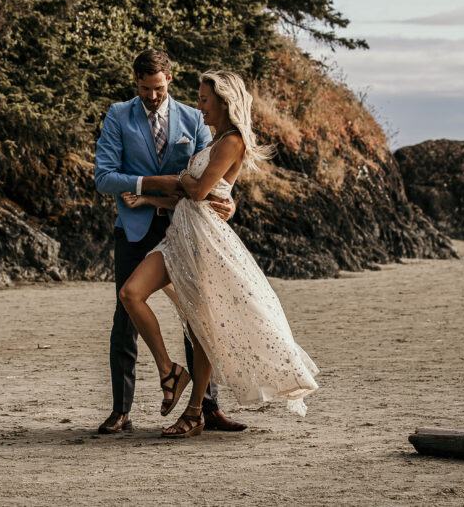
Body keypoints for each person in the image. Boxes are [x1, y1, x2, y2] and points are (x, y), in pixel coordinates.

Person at [118, 70, 319, 438]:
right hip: (180, 237)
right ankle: (170, 370)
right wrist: (149, 199)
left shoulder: (233, 141)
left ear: (224, 102)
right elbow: (196, 197)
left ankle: (195, 412)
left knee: (202, 329)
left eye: (204, 99)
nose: (199, 106)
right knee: (131, 293)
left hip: (205, 242)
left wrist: (177, 179)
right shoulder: (214, 140)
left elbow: (198, 192)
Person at [93, 51, 248, 434]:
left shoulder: (195, 118)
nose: (152, 96)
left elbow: (215, 174)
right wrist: (147, 185)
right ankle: (121, 410)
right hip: (135, 228)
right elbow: (104, 178)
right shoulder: (118, 115)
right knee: (125, 314)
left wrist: (229, 203)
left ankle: (206, 407)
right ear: (135, 81)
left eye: (159, 89)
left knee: (197, 317)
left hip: (187, 228)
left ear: (170, 79)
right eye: (145, 89)